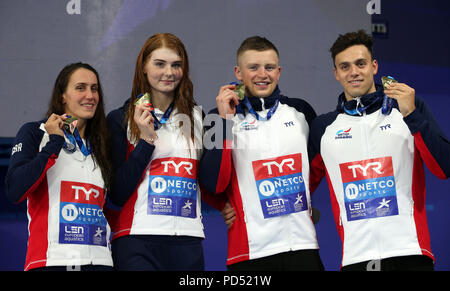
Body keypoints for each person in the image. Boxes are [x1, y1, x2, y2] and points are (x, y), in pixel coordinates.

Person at [308, 30, 450, 271]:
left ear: (374, 66)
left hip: (410, 252)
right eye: (345, 66)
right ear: (336, 73)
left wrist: (412, 115)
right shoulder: (324, 127)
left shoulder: (406, 108)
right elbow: (298, 183)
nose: (354, 72)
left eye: (360, 63)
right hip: (356, 259)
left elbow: (444, 166)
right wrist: (226, 204)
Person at [199, 36, 324, 271]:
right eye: (253, 67)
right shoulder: (218, 117)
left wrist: (303, 195)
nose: (262, 74)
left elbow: (317, 165)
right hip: (250, 251)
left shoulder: (301, 111)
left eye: (269, 67)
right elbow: (210, 182)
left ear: (279, 71)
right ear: (238, 72)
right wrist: (225, 121)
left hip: (303, 245)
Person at [107, 33, 206, 271]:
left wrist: (224, 205)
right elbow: (117, 193)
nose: (169, 72)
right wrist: (146, 140)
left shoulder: (198, 117)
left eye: (176, 65)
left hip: (188, 239)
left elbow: (205, 177)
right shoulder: (120, 118)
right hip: (137, 239)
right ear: (143, 67)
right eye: (159, 64)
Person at [5, 62, 114, 271]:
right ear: (62, 95)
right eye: (80, 88)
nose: (90, 95)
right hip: (52, 261)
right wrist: (54, 142)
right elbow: (15, 190)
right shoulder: (36, 133)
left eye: (94, 88)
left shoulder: (102, 144)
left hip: (101, 262)